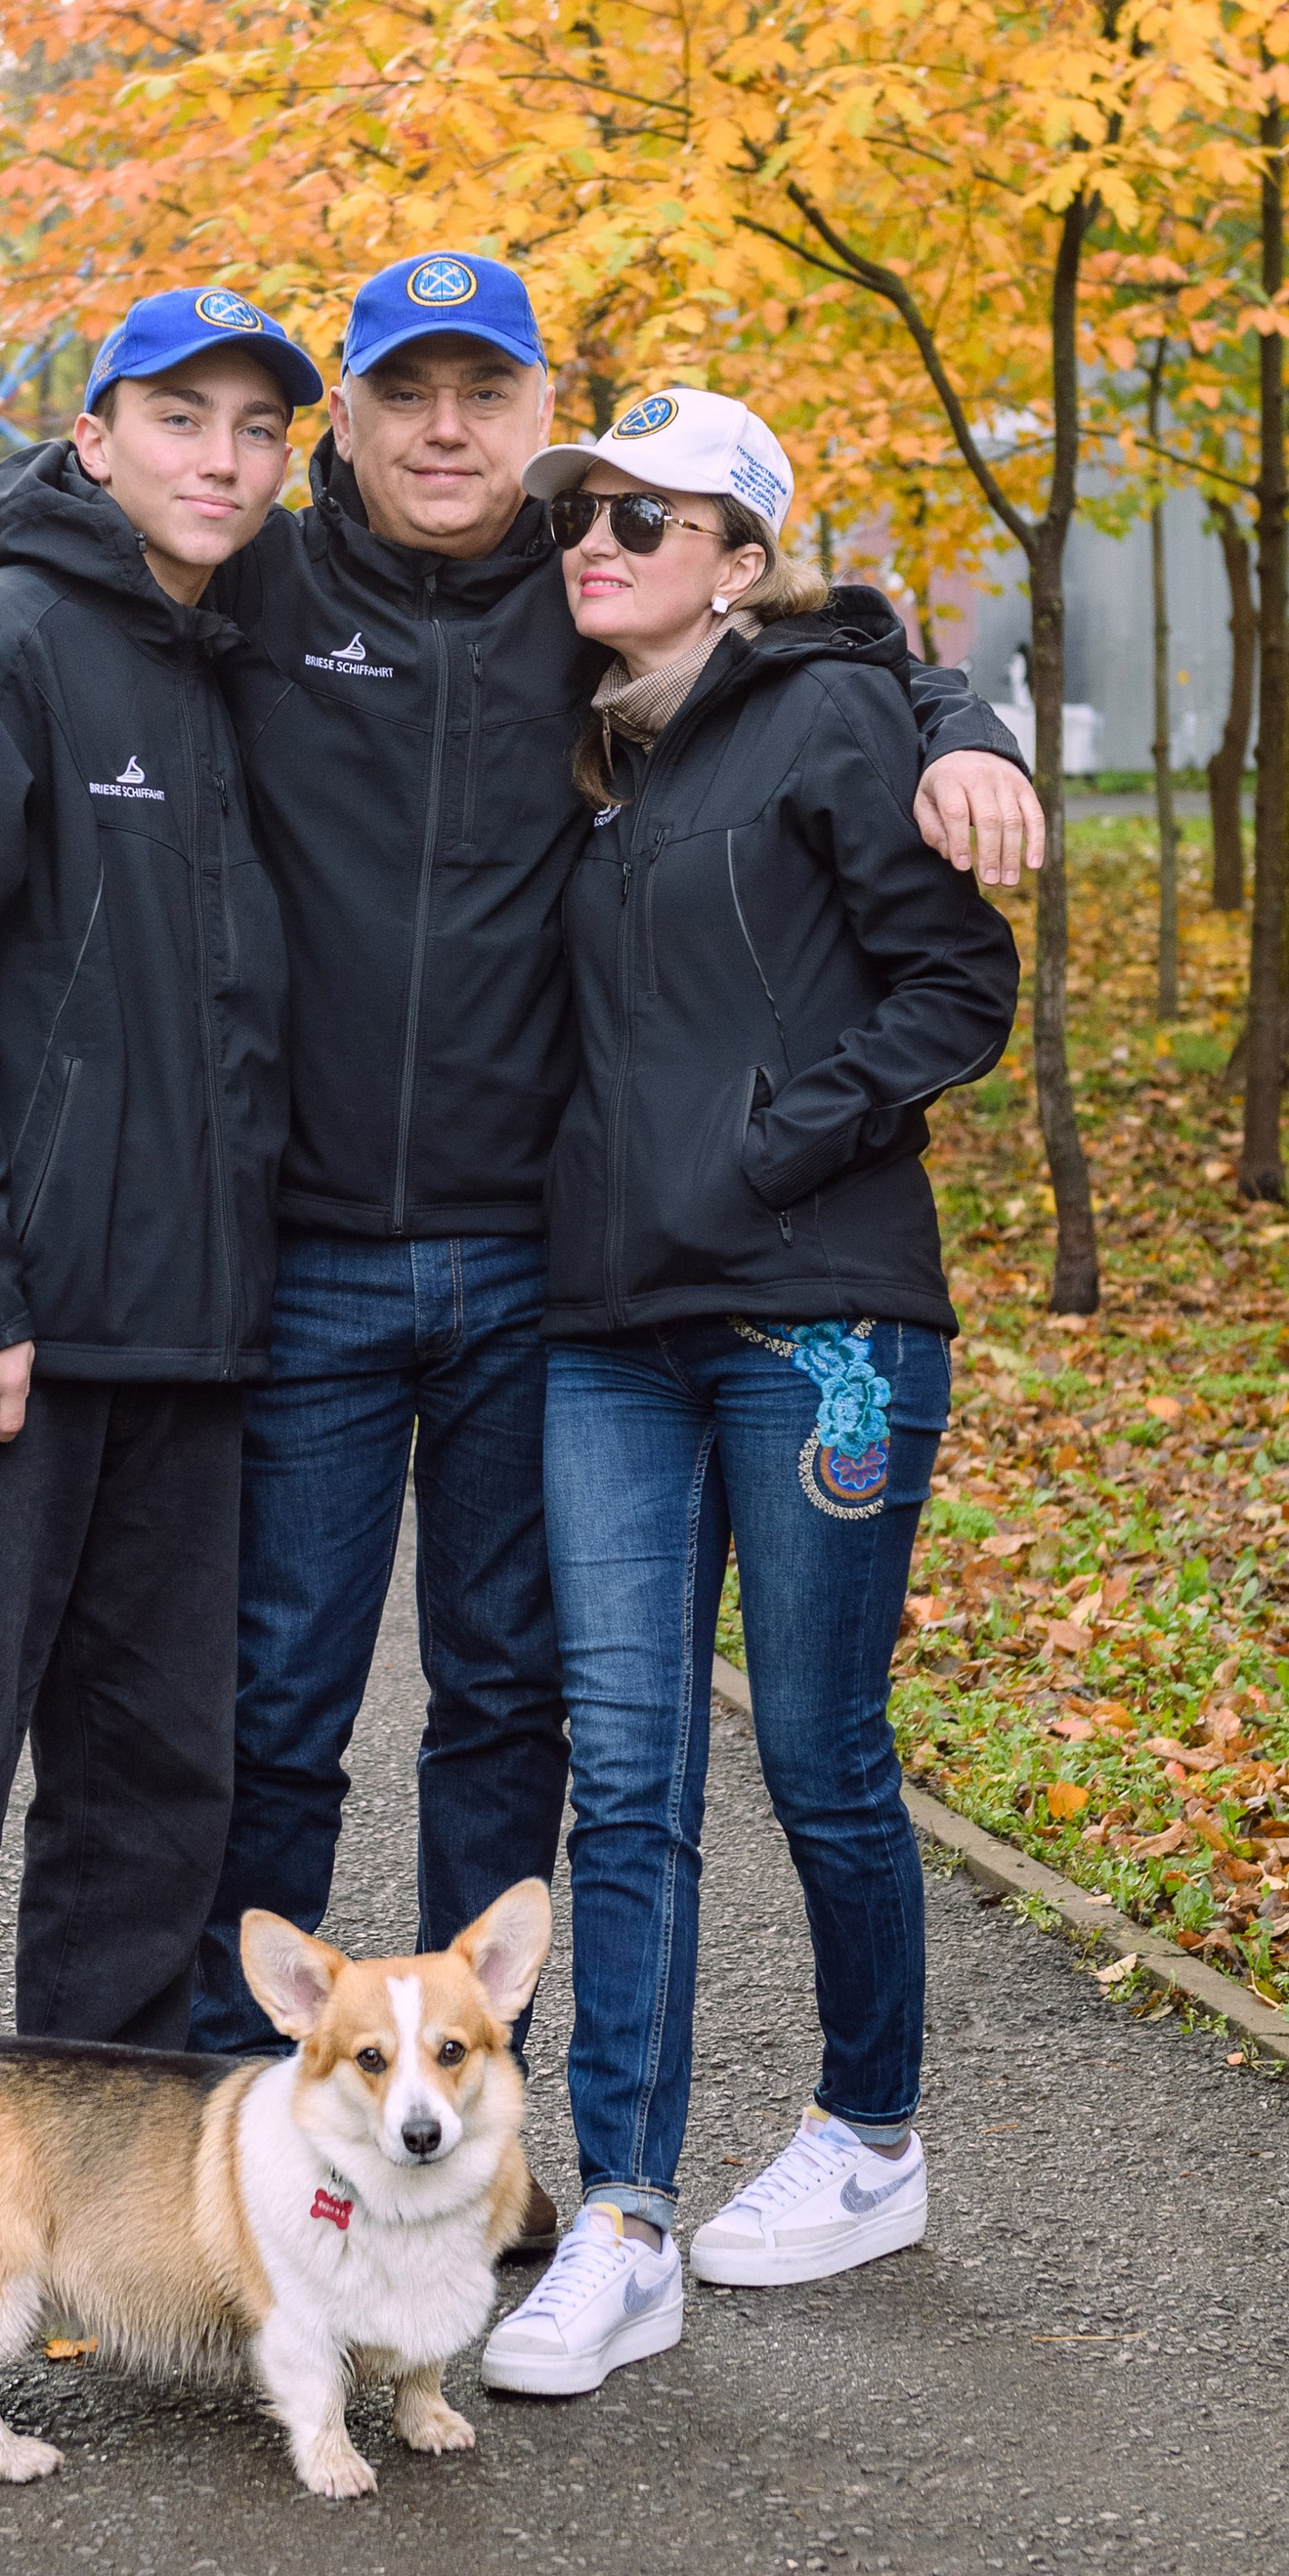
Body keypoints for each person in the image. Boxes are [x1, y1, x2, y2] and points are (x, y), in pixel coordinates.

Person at [0, 258, 1040, 2191]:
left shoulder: (585, 585)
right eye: (401, 394)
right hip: (296, 1265)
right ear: (342, 423)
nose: (446, 430)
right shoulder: (252, 584)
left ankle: (474, 2150)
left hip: (537, 1264)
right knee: (257, 1719)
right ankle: (227, 2144)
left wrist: (965, 726)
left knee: (501, 1709)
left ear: (539, 420)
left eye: (486, 395)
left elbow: (814, 632)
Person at [479, 388, 1020, 2401]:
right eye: (583, 512)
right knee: (624, 1769)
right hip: (607, 1335)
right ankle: (622, 2223)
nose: (595, 542)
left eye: (647, 517)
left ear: (739, 559)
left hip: (816, 1326)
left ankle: (870, 2136)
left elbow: (958, 986)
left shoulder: (832, 717)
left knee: (814, 1747)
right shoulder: (588, 753)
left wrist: (769, 1146)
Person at [0, 289, 321, 2098]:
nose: (224, 459)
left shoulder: (230, 653)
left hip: (182, 1340)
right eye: (182, 418)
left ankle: (89, 2193)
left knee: (152, 1797)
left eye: (258, 429)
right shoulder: (2, 638)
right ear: (93, 441)